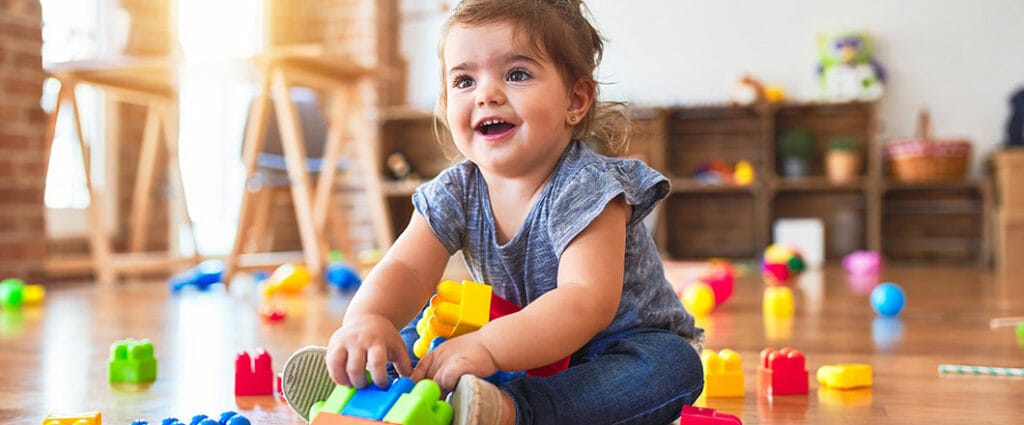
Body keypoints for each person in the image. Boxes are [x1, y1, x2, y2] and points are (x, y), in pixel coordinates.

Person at [283, 1, 705, 424]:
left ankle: (510, 410)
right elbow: (407, 269)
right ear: (447, 103)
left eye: (517, 74)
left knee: (671, 365)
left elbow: (583, 303)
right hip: (510, 343)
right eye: (465, 80)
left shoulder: (588, 187)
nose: (486, 94)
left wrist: (488, 347)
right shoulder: (456, 190)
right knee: (418, 326)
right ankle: (370, 383)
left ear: (575, 100)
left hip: (605, 350)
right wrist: (369, 319)